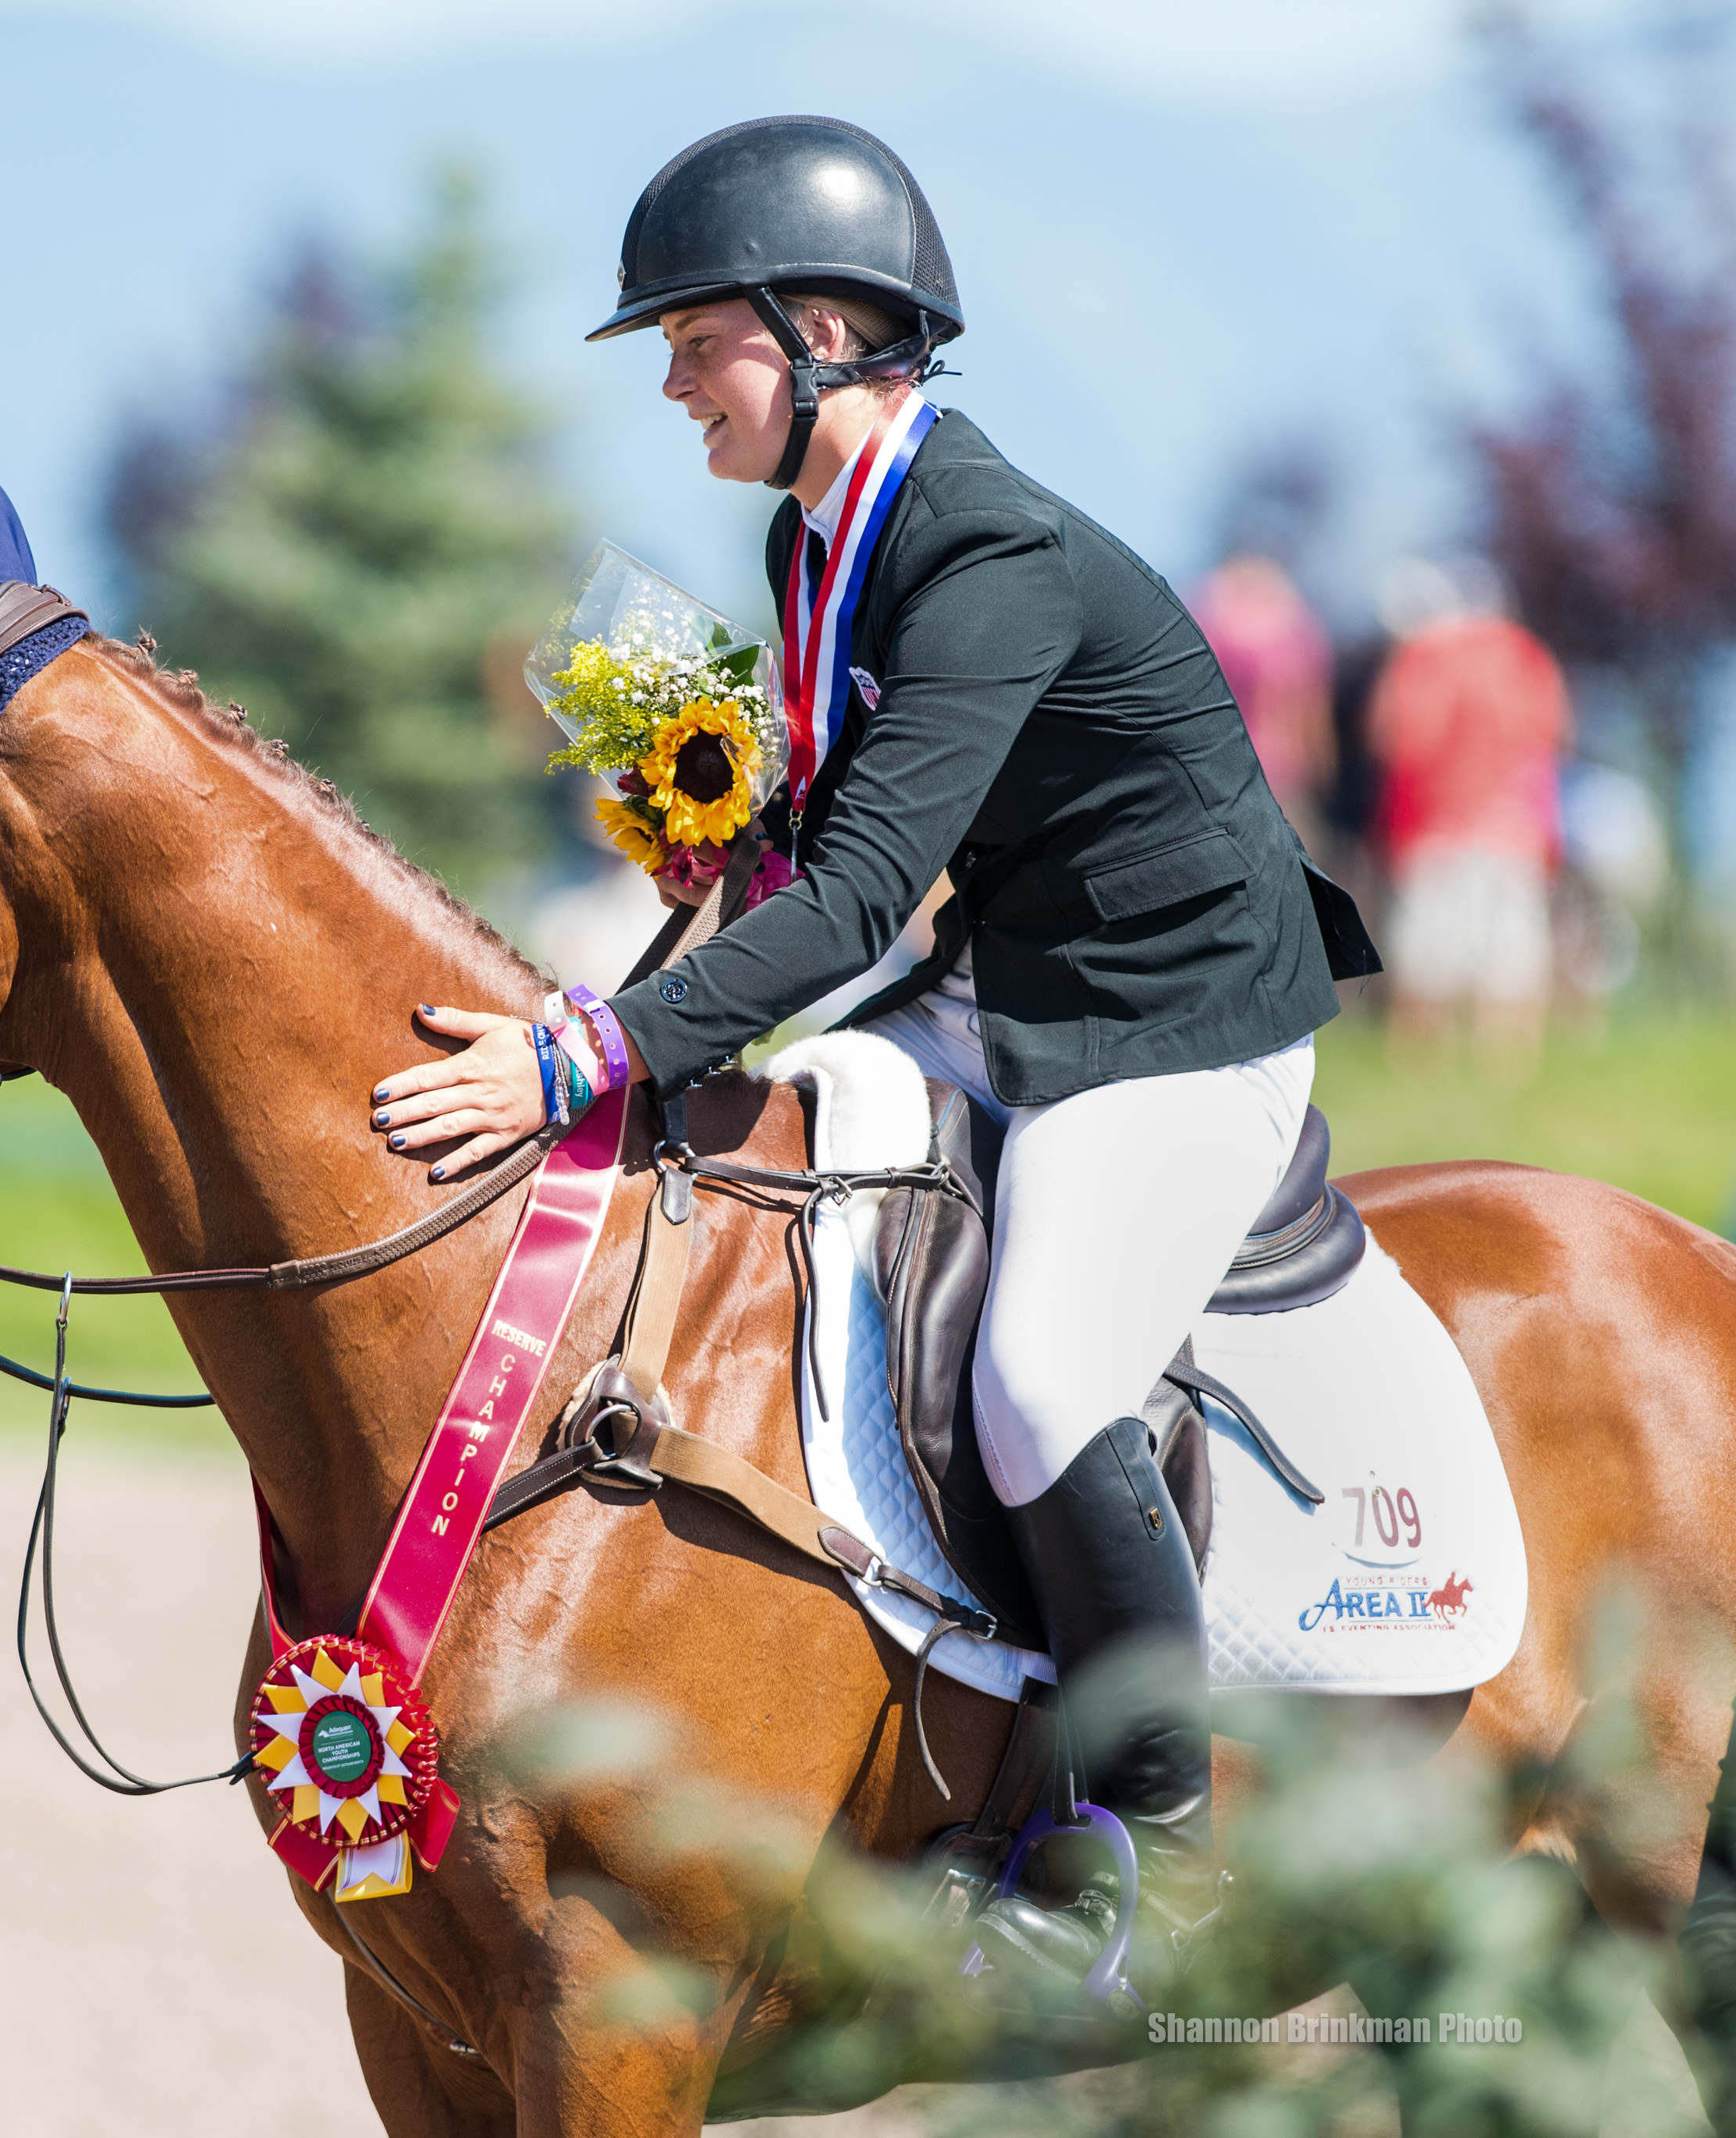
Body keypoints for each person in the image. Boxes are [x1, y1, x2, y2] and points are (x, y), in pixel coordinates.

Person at [367, 116, 1380, 1996]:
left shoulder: (984, 549)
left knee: (1036, 1373)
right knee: (752, 1160)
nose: (671, 381)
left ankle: (1155, 1849)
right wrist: (716, 840)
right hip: (1011, 989)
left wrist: (576, 1054)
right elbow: (840, 840)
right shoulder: (814, 529)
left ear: (823, 326)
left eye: (694, 339)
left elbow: (848, 912)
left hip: (1172, 1028)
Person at [1365, 559, 1571, 1074]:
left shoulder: (1423, 657)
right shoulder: (1526, 656)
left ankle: (1421, 1069)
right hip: (1514, 826)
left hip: (1438, 828)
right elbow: (1554, 732)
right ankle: (1507, 1069)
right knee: (1511, 953)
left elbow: (1395, 737)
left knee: (1427, 956)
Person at [1191, 554, 1337, 862]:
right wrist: (1326, 777)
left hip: (1222, 772)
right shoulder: (1297, 625)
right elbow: (1311, 710)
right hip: (1285, 774)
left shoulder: (1211, 618)